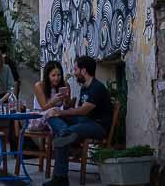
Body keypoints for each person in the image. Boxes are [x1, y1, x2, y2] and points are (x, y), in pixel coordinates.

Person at [42, 56, 113, 186]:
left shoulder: (97, 87)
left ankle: (60, 178)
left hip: (98, 126)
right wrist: (63, 104)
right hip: (85, 121)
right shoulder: (85, 87)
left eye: (75, 69)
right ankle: (64, 133)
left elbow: (83, 110)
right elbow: (77, 112)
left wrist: (61, 111)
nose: (74, 72)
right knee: (52, 115)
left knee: (63, 131)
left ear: (83, 70)